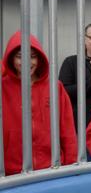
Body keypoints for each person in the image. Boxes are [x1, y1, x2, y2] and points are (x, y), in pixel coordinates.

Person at [3, 31, 77, 175]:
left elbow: (67, 130)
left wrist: (71, 166)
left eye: (32, 57)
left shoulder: (55, 87)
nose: (26, 62)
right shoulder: (2, 87)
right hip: (10, 172)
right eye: (19, 56)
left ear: (40, 59)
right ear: (11, 59)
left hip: (50, 169)